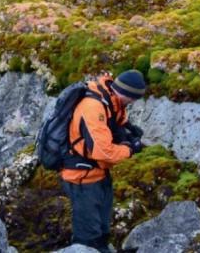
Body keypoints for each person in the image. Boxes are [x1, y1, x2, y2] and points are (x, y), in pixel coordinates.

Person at [60, 69, 147, 252]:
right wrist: (130, 149)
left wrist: (128, 134)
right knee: (88, 237)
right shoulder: (94, 107)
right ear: (127, 94)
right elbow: (103, 152)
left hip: (99, 174)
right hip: (81, 178)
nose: (133, 103)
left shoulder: (111, 101)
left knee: (102, 231)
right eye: (134, 98)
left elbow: (117, 125)